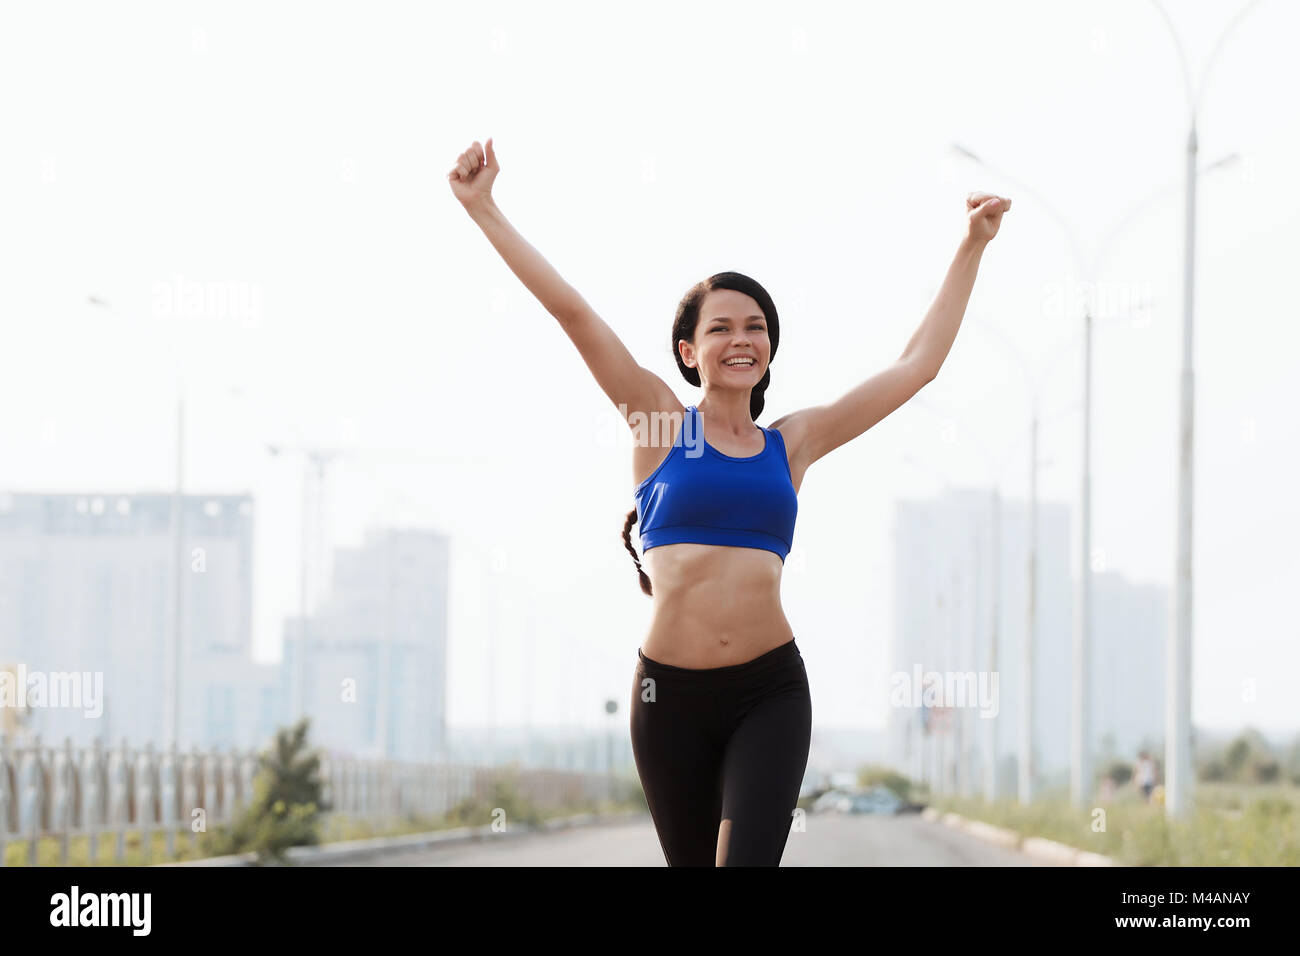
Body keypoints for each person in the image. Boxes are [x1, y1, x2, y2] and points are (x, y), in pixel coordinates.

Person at [447, 137, 1011, 865]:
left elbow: (917, 366)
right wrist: (483, 207)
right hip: (666, 698)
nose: (740, 340)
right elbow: (574, 315)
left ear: (770, 347)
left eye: (755, 328)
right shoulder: (656, 421)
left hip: (769, 691)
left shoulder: (794, 442)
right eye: (720, 328)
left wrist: (971, 245)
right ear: (689, 350)